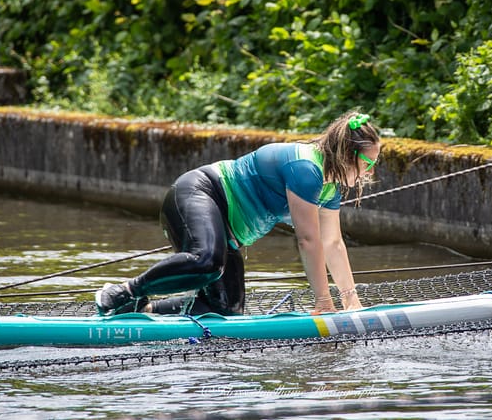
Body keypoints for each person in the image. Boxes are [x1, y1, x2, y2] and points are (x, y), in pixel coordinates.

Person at [95, 111, 381, 316]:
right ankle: (122, 292)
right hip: (200, 193)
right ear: (346, 153)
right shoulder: (306, 169)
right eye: (367, 162)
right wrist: (323, 302)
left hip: (228, 233)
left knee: (224, 310)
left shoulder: (330, 188)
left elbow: (332, 243)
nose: (369, 171)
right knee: (206, 261)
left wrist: (350, 301)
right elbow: (308, 240)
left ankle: (142, 309)